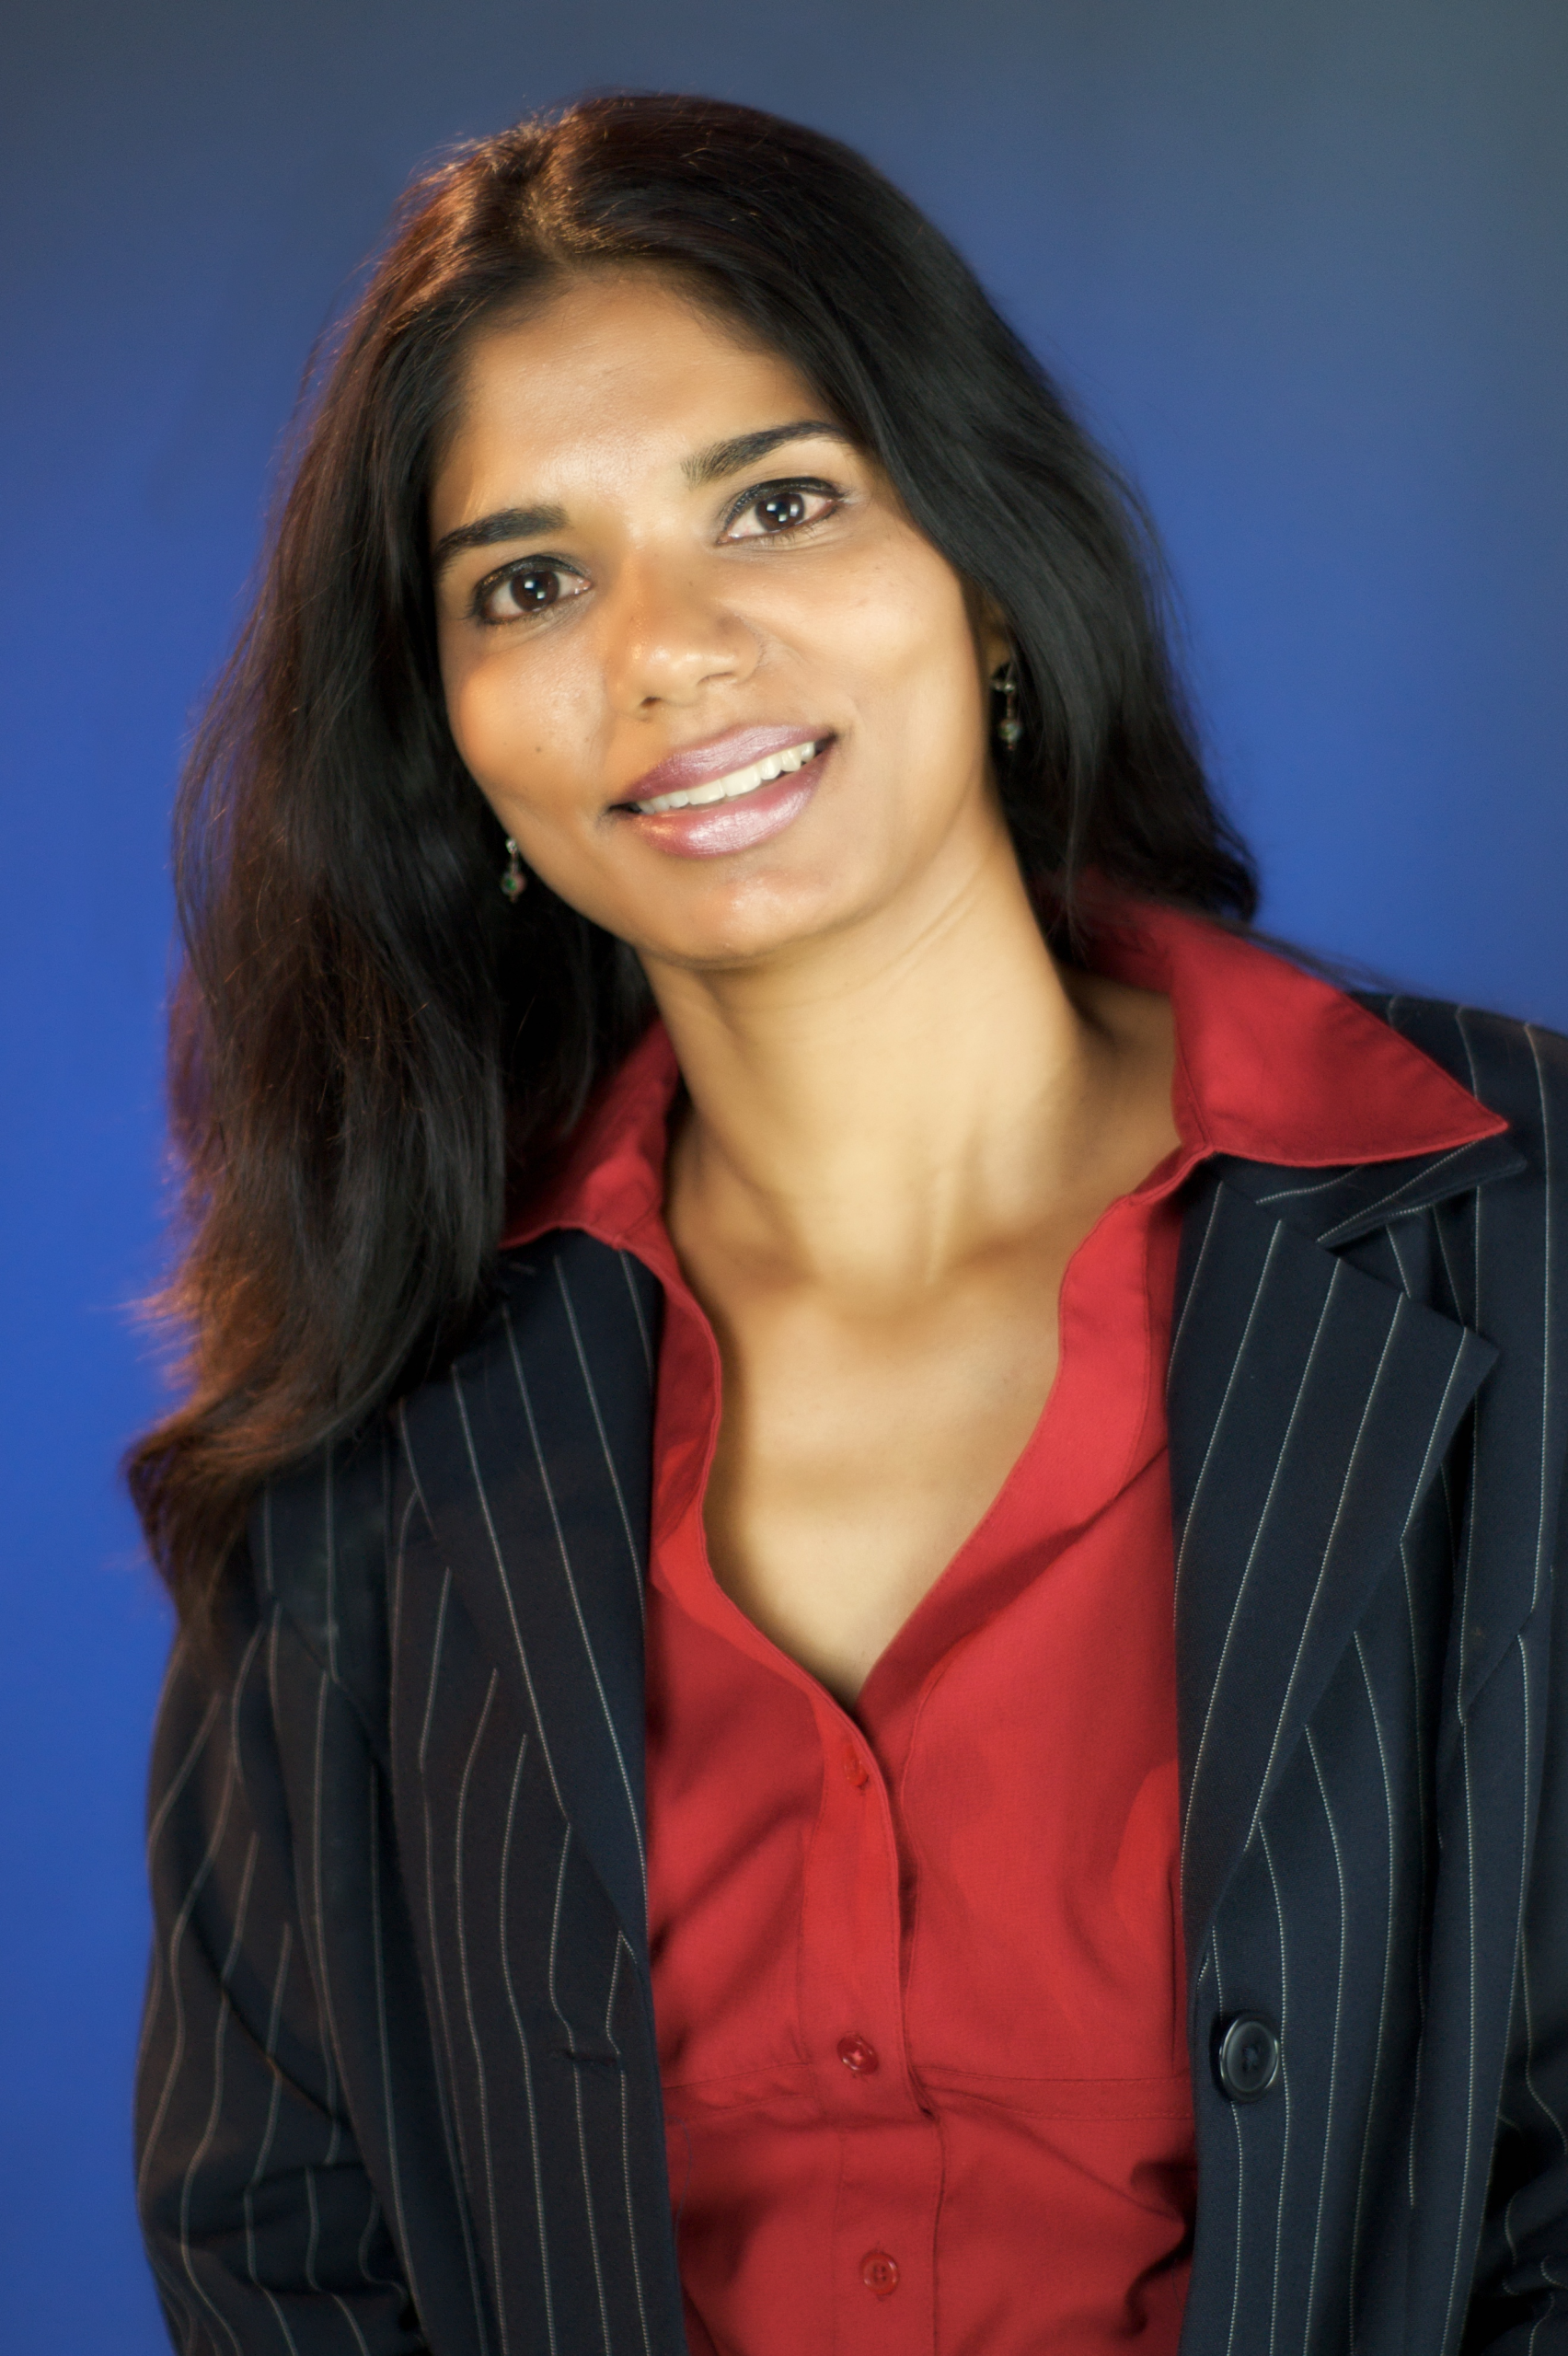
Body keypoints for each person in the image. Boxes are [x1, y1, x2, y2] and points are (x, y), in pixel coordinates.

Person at [129, 92, 1568, 2356]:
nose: (668, 649)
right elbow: (278, 2234)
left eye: (777, 503)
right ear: (453, 736)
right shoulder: (379, 1392)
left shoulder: (1521, 1223)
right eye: (530, 580)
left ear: (983, 566)